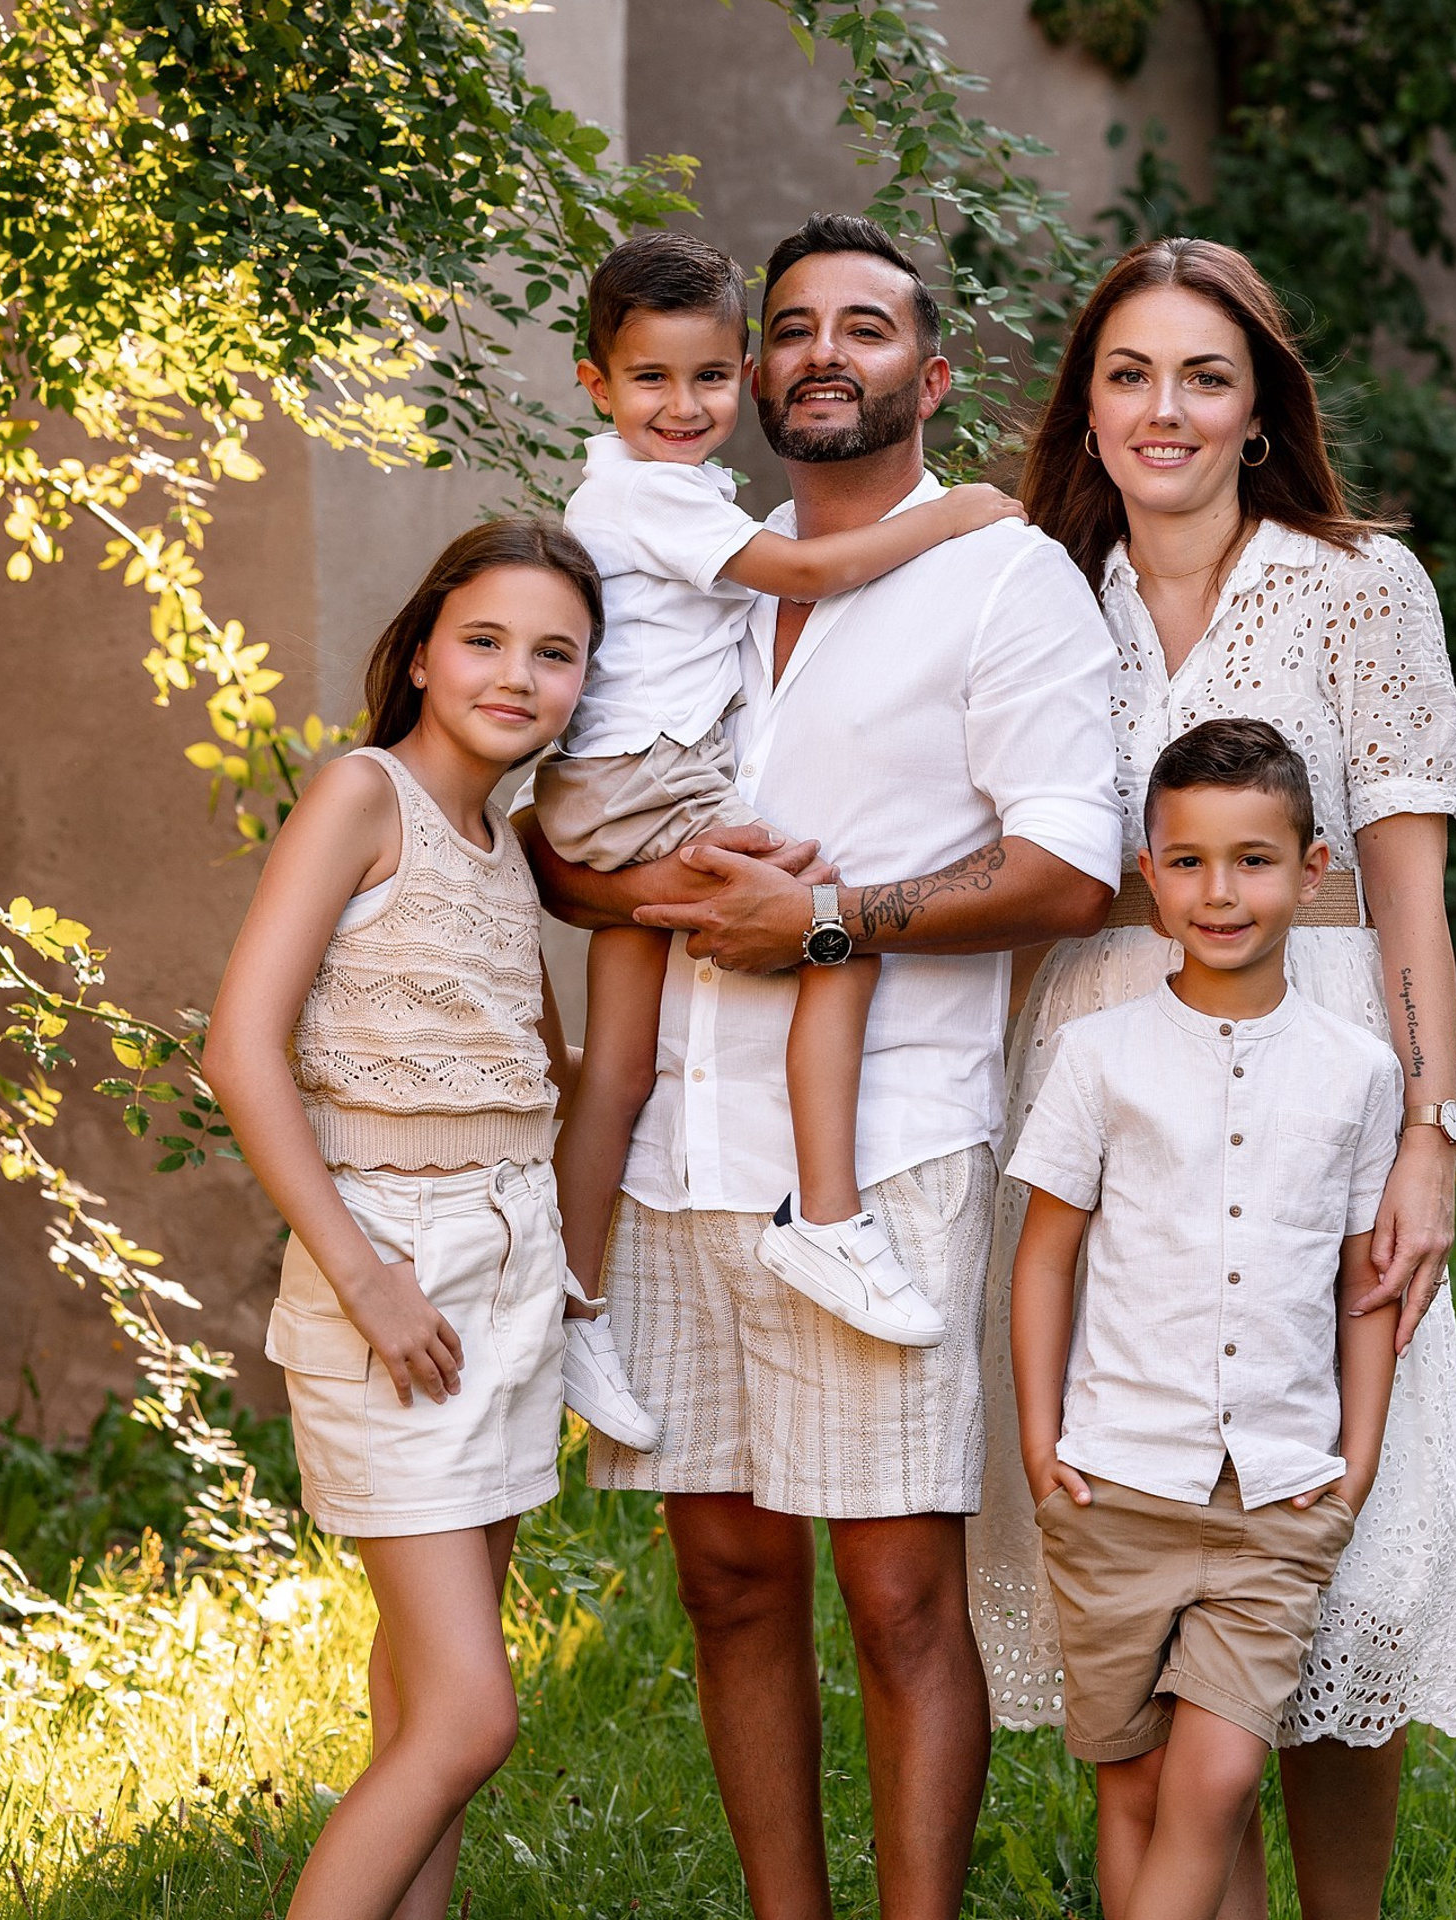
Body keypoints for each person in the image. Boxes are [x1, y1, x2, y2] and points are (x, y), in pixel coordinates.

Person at [521, 212, 1123, 1920]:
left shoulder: (1003, 578)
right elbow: (569, 825)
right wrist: (642, 887)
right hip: (673, 1153)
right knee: (722, 1577)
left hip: (881, 1154)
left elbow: (1071, 871)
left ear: (929, 377)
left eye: (865, 329)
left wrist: (834, 923)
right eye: (790, 327)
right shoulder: (683, 562)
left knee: (899, 1596)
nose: (819, 355)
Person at [971, 235, 1456, 1920]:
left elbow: (1408, 886)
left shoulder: (1354, 587)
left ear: (1259, 403)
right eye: (1128, 375)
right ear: (1087, 405)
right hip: (1106, 1082)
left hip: (1322, 1063)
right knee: (1145, 1534)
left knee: (1342, 1536)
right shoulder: (1039, 589)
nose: (1164, 409)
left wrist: (1430, 1131)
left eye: (1204, 374)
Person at [203, 519, 632, 1920]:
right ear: (427, 646)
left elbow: (534, 1071)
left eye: (556, 653)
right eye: (488, 640)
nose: (518, 675)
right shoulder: (363, 795)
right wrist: (363, 1275)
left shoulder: (502, 846)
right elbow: (240, 1049)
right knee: (469, 1717)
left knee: (420, 1720)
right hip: (395, 1267)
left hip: (506, 1269)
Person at [537, 232, 1027, 1358]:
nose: (684, 404)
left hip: (613, 783)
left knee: (617, 1065)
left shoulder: (675, 492)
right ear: (597, 385)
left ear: (740, 370)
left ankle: (569, 1304)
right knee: (831, 924)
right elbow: (810, 572)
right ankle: (830, 1214)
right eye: (650, 380)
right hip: (648, 781)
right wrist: (957, 513)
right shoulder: (659, 498)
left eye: (708, 376)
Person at [1010, 718, 1402, 1920]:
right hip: (1116, 1482)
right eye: (1188, 861)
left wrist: (1359, 1460)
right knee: (1137, 1791)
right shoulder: (1098, 1056)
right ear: (1149, 872)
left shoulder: (1359, 1069)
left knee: (1222, 1775)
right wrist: (1041, 1442)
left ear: (1313, 870)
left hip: (1277, 1495)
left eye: (1253, 860)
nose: (1220, 892)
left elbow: (1363, 1280)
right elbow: (1046, 1259)